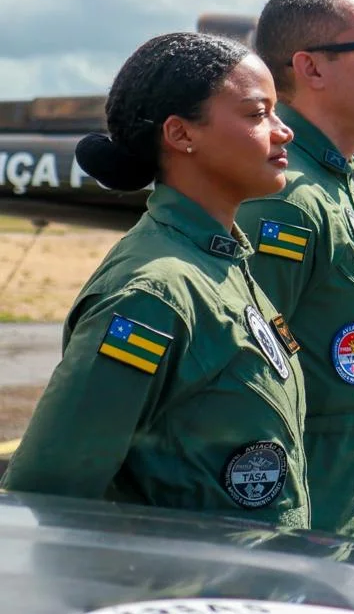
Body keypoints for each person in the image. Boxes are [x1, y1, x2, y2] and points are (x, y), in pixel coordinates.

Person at [2, 32, 309, 527]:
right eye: (257, 114)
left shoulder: (220, 263)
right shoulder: (151, 294)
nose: (282, 131)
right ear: (181, 135)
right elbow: (45, 494)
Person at [235, 0, 354, 541]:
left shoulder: (336, 187)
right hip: (298, 525)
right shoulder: (285, 197)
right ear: (311, 68)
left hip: (342, 512)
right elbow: (245, 382)